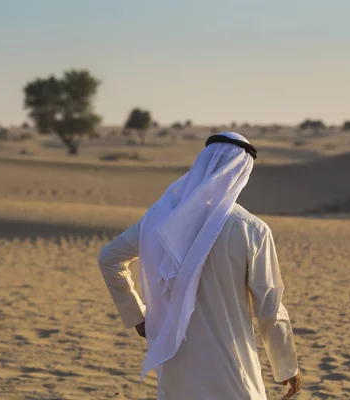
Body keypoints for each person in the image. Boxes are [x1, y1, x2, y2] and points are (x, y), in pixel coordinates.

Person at [98, 132, 301, 399]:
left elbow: (109, 258)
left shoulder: (160, 218)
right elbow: (270, 306)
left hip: (176, 361)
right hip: (229, 365)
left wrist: (138, 317)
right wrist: (286, 366)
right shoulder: (252, 229)